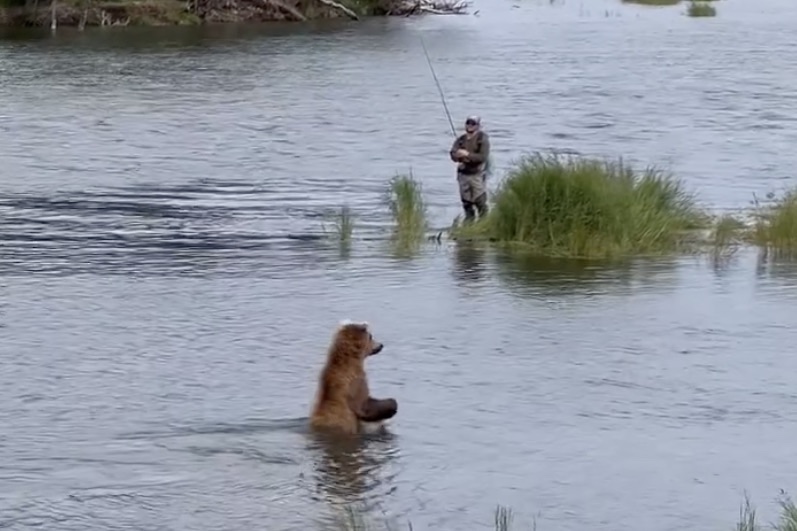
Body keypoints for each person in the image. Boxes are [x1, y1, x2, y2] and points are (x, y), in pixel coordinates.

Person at [449, 115, 490, 222]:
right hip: (463, 175)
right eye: (468, 123)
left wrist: (467, 154)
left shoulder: (482, 139)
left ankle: (484, 223)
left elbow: (482, 157)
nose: (470, 125)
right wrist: (457, 155)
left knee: (480, 201)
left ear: (478, 126)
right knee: (466, 203)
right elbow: (452, 153)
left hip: (477, 175)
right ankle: (469, 223)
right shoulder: (461, 140)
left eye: (473, 123)